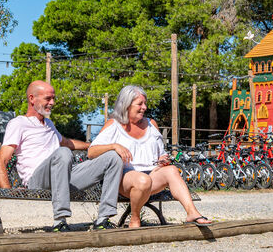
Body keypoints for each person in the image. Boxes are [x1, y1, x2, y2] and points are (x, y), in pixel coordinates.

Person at [0, 80, 123, 232]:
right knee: (63, 153)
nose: (53, 102)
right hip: (38, 180)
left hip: (63, 177)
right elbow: (0, 162)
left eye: (53, 98)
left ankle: (103, 219)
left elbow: (67, 143)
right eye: (48, 98)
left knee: (112, 158)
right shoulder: (19, 123)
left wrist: (95, 146)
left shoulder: (49, 124)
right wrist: (7, 192)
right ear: (31, 99)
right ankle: (60, 220)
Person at [89, 85, 211, 228]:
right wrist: (114, 146)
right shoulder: (113, 125)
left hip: (152, 174)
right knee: (143, 180)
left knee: (171, 170)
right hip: (125, 178)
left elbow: (161, 153)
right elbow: (91, 152)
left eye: (145, 103)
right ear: (126, 105)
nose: (144, 107)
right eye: (140, 104)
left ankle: (192, 213)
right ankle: (135, 218)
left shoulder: (151, 124)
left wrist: (163, 159)